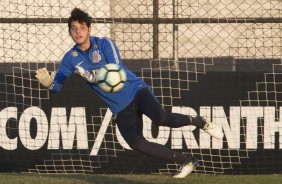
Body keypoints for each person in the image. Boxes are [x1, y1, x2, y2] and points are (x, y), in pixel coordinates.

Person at [35, 8, 223, 178]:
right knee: (136, 143)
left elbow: (117, 71)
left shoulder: (104, 44)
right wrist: (49, 84)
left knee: (161, 118)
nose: (78, 32)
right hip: (120, 108)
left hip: (136, 92)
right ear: (69, 32)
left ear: (89, 29)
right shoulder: (70, 58)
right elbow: (57, 86)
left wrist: (96, 75)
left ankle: (200, 122)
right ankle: (186, 160)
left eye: (82, 27)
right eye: (74, 28)